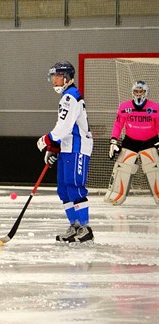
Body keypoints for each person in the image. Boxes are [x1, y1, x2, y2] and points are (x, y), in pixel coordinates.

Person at [37, 61, 94, 246]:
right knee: (63, 189)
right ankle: (75, 226)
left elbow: (64, 127)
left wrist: (47, 139)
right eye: (53, 77)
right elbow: (65, 129)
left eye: (57, 77)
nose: (54, 81)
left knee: (74, 186)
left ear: (67, 77)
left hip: (77, 148)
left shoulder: (71, 97)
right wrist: (54, 147)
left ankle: (85, 229)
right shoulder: (66, 97)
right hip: (67, 147)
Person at [104, 80, 159, 205]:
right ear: (132, 92)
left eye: (141, 91)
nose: (139, 94)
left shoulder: (155, 107)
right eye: (136, 91)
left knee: (154, 168)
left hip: (150, 141)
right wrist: (113, 141)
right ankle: (115, 195)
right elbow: (118, 124)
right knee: (122, 168)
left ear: (146, 92)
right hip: (130, 141)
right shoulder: (124, 107)